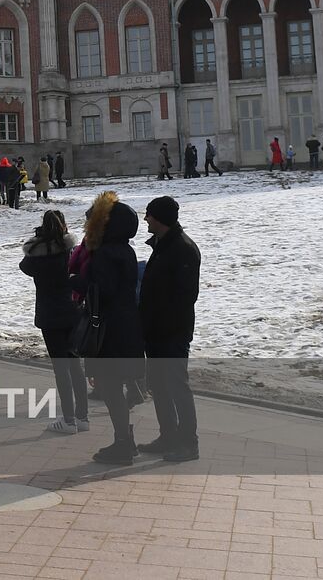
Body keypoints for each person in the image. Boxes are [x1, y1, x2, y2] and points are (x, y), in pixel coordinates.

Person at [74, 191, 145, 465]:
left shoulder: (105, 253)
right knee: (115, 386)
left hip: (109, 329)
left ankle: (123, 444)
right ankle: (126, 440)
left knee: (110, 387)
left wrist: (75, 282)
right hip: (125, 325)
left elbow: (103, 291)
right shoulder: (125, 249)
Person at [137, 196, 201, 462]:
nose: (146, 220)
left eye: (149, 215)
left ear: (160, 218)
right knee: (159, 386)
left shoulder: (183, 249)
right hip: (155, 331)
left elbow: (185, 297)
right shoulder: (163, 245)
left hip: (172, 333)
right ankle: (168, 435)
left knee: (177, 387)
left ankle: (188, 443)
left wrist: (162, 324)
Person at [20, 210, 87, 434]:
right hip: (72, 312)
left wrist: (40, 242)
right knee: (75, 364)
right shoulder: (70, 252)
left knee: (61, 369)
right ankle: (82, 417)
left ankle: (68, 420)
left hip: (50, 315)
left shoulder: (36, 256)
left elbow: (24, 266)